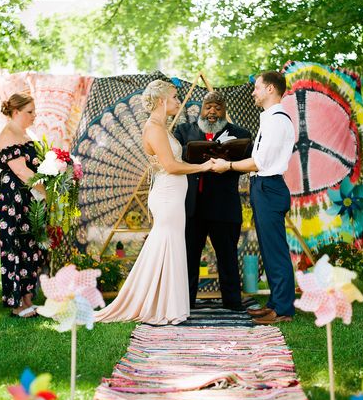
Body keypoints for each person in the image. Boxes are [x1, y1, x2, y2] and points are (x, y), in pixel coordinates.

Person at [95, 80, 212, 325]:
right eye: (175, 97)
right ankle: (161, 306)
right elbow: (170, 166)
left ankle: (166, 304)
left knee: (170, 246)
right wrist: (203, 167)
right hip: (167, 195)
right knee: (166, 245)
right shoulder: (154, 128)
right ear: (161, 101)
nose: (179, 101)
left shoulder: (161, 126)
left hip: (173, 195)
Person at [211, 71, 295, 325]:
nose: (253, 92)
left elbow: (259, 162)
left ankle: (283, 310)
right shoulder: (269, 118)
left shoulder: (278, 120)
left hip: (269, 187)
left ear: (270, 89)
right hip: (263, 188)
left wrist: (229, 165)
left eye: (257, 88)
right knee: (268, 250)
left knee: (276, 250)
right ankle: (275, 303)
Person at [174, 91, 252, 311]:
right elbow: (173, 161)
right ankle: (184, 304)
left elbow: (250, 161)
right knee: (189, 259)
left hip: (224, 207)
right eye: (208, 107)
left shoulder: (240, 134)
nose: (212, 112)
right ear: (201, 108)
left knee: (227, 257)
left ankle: (233, 305)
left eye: (218, 107)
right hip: (192, 208)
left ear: (225, 110)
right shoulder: (184, 131)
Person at [0, 93, 46, 318]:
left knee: (30, 244)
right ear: (16, 112)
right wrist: (48, 192)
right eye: (30, 112)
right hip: (13, 196)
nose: (34, 115)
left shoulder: (25, 133)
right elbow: (21, 171)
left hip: (28, 195)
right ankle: (17, 303)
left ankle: (27, 298)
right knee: (15, 244)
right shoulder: (8, 135)